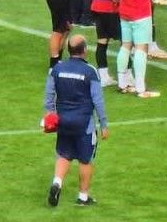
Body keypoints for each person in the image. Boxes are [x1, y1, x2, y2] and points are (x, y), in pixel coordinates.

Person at [43, 34, 109, 208]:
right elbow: (98, 101)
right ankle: (83, 197)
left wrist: (50, 114)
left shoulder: (57, 68)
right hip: (84, 124)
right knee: (85, 159)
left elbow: (49, 95)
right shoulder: (90, 71)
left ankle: (57, 182)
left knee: (64, 154)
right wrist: (103, 124)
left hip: (63, 121)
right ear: (85, 50)